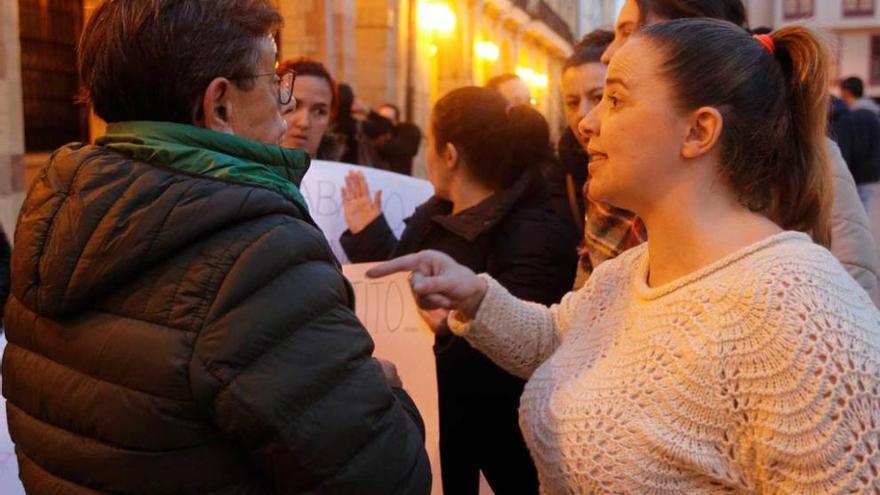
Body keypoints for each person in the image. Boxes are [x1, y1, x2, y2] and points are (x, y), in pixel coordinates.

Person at [370, 20, 880, 493]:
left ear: (699, 131)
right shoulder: (628, 272)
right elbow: (565, 341)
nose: (585, 124)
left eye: (613, 99)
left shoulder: (801, 317)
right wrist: (477, 296)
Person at [2, 1, 431, 493]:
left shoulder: (54, 211)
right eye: (274, 80)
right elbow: (389, 477)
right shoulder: (259, 252)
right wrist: (386, 392)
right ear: (220, 105)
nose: (286, 104)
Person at [340, 87, 577, 495]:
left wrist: (455, 328)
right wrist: (369, 234)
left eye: (431, 141)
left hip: (496, 455)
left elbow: (526, 353)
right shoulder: (434, 214)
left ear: (449, 155)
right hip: (431, 436)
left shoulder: (535, 232)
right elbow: (401, 288)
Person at [583, 0, 880, 304]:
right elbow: (579, 319)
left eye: (630, 32)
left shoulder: (790, 292)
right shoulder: (623, 252)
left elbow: (850, 296)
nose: (609, 51)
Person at [277, 57, 346, 161]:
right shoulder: (245, 173)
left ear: (330, 119)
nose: (304, 123)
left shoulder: (343, 175)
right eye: (292, 106)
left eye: (320, 112)